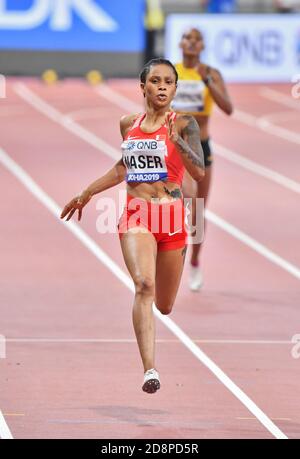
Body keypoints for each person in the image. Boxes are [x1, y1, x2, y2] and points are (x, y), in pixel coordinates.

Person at [60, 58, 205, 394]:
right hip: (137, 214)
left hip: (172, 219)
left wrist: (177, 141)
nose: (163, 87)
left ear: (175, 88)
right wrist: (86, 193)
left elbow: (197, 172)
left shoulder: (185, 123)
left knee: (164, 306)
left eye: (169, 81)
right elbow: (122, 168)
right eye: (156, 81)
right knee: (143, 284)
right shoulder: (129, 124)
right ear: (143, 87)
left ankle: (154, 321)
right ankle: (150, 370)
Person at [172, 28, 233, 291]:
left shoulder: (211, 73)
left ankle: (195, 261)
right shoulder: (170, 72)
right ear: (180, 43)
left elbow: (228, 108)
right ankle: (169, 255)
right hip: (175, 144)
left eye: (197, 39)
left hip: (201, 147)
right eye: (187, 38)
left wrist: (207, 81)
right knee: (182, 198)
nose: (192, 43)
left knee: (197, 210)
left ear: (203, 46)